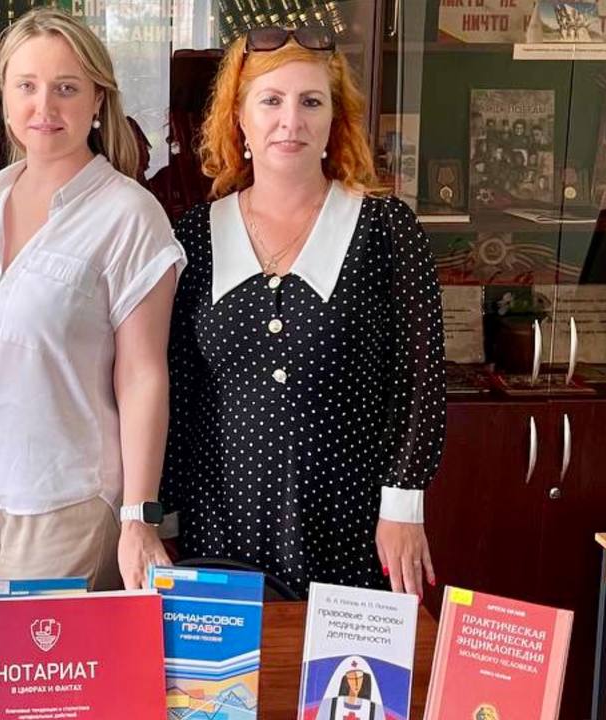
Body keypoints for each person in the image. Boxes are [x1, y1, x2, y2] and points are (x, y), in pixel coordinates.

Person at [160, 26, 446, 599]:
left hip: (353, 530)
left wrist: (404, 505)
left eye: (311, 102)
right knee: (233, 666)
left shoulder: (388, 231)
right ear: (239, 119)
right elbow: (177, 392)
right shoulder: (194, 236)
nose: (290, 121)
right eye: (271, 100)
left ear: (335, 120)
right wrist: (162, 522)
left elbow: (420, 384)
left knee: (342, 664)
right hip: (219, 528)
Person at [0, 7, 185, 597]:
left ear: (98, 100)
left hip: (66, 496)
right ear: (5, 97)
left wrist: (139, 516)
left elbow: (143, 375)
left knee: (32, 659)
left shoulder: (130, 215)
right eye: (26, 86)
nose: (44, 107)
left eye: (66, 88)